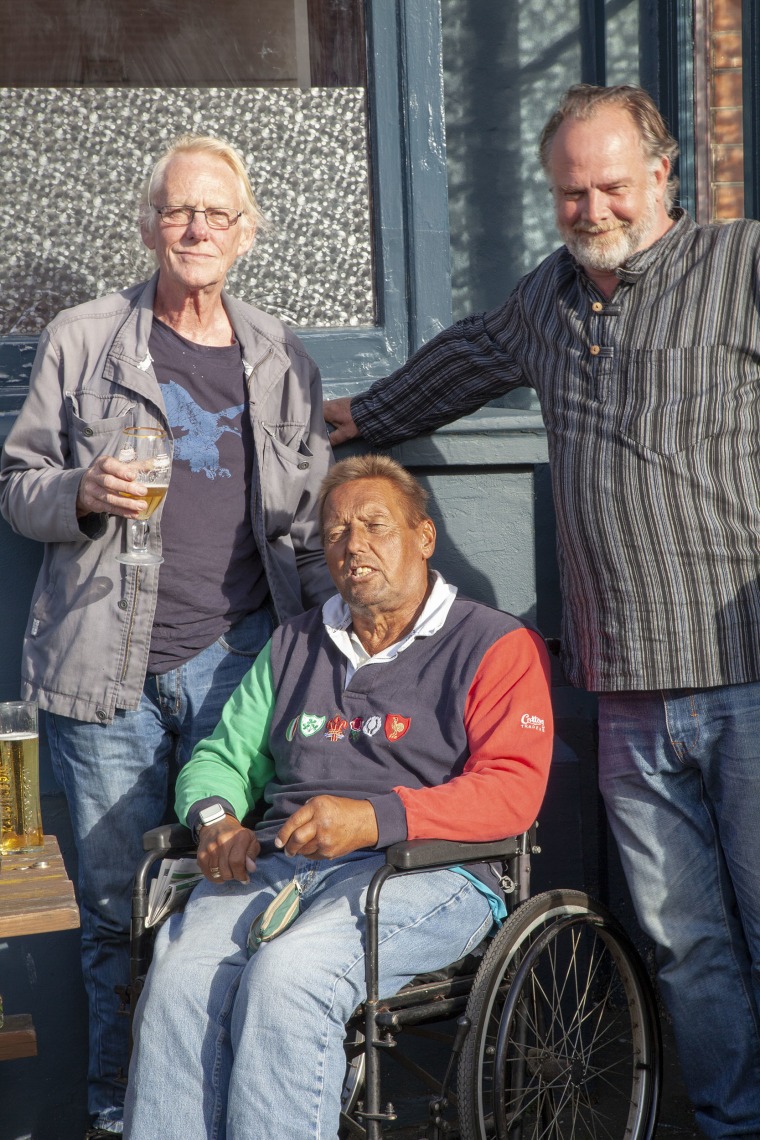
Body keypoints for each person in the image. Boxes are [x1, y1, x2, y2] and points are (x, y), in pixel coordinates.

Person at [323, 84, 760, 1139]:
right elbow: (459, 364)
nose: (592, 209)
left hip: (745, 671)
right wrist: (345, 418)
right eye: (570, 192)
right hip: (622, 694)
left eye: (611, 185)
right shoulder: (547, 301)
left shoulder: (741, 267)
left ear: (664, 173)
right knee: (681, 942)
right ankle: (730, 1121)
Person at [0, 134, 334, 1138]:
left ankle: (217, 1107)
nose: (196, 229)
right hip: (106, 675)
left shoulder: (279, 354)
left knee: (229, 890)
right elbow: (17, 487)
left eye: (217, 215)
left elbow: (310, 521)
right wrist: (80, 493)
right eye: (179, 213)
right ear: (149, 228)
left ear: (248, 234)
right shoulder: (84, 337)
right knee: (114, 914)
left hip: (238, 661)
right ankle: (117, 1111)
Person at [122, 454, 553, 1140]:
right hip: (280, 865)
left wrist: (376, 819)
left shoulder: (493, 643)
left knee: (290, 978)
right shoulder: (295, 644)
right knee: (178, 980)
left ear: (423, 536)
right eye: (335, 532)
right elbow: (220, 759)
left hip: (427, 873)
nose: (353, 545)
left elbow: (511, 793)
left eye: (375, 525)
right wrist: (216, 820)